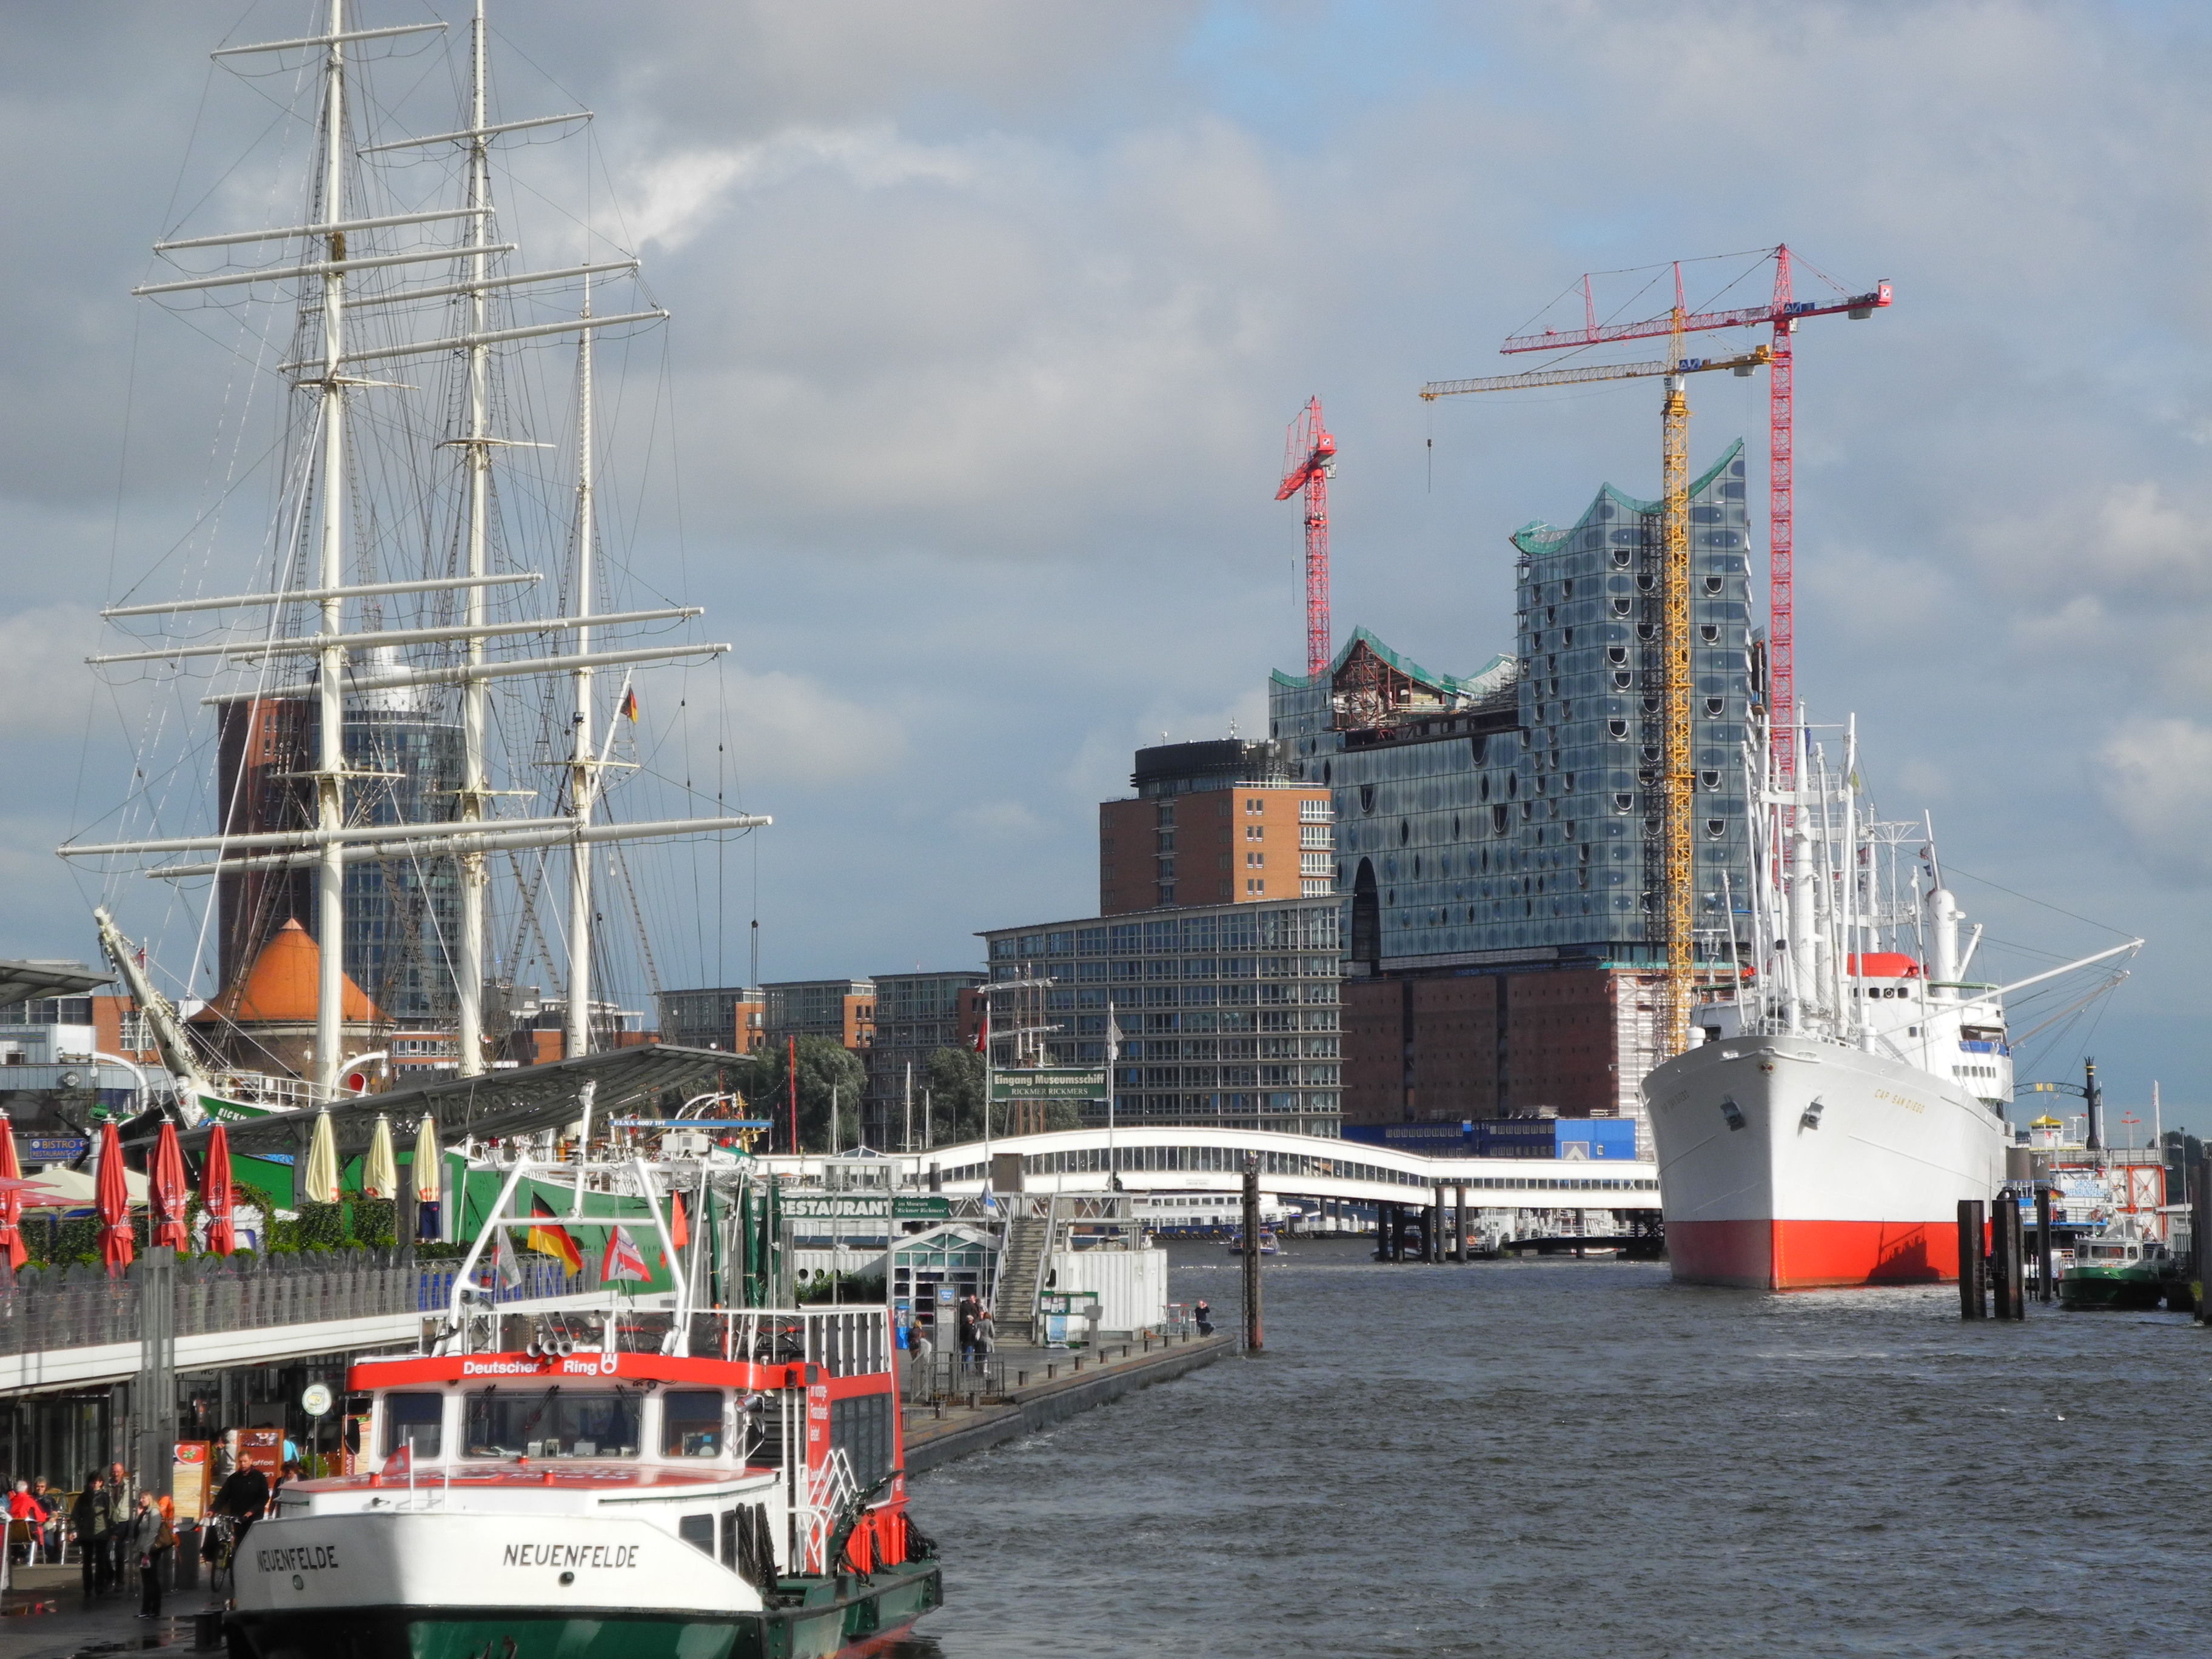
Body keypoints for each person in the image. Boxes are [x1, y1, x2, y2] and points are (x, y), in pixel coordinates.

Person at [127, 1491, 173, 1618]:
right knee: (148, 1580)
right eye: (140, 1498)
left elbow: (153, 1532)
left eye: (144, 1498)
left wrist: (146, 1552)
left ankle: (152, 1610)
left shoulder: (154, 1512)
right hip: (145, 1549)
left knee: (151, 1580)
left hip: (151, 1550)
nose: (141, 1500)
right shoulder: (146, 1512)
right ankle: (148, 1610)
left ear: (150, 1498)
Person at [70, 1473, 109, 1597]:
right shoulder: (83, 1498)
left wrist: (113, 1530)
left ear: (101, 1483)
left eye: (98, 1482)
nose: (95, 1484)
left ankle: (99, 1586)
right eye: (93, 1482)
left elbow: (111, 1514)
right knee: (87, 1561)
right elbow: (75, 1515)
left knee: (100, 1560)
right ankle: (88, 1587)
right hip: (86, 1532)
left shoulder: (105, 1497)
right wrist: (74, 1530)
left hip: (101, 1532)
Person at [105, 1461, 135, 1594]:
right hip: (110, 1520)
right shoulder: (107, 1486)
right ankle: (110, 1575)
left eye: (118, 1471)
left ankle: (120, 1581)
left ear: (123, 1471)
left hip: (124, 1520)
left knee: (119, 1551)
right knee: (105, 1551)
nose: (116, 1474)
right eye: (114, 1471)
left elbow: (135, 1501)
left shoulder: (130, 1485)